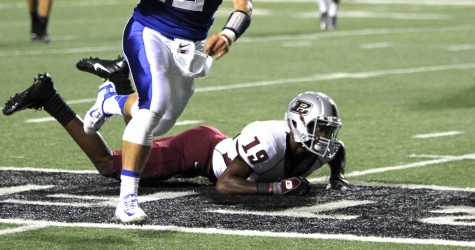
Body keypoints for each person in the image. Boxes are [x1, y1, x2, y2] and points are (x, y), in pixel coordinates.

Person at [91, 0, 261, 224]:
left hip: (190, 43)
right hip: (147, 26)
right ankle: (127, 199)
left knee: (163, 121)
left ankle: (110, 101)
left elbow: (243, 7)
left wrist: (229, 32)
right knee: (153, 108)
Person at [2, 71, 353, 206]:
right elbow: (226, 186)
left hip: (213, 149)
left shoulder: (318, 148)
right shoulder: (271, 139)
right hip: (197, 152)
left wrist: (337, 177)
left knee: (144, 128)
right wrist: (275, 189)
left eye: (327, 129)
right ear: (297, 122)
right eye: (321, 128)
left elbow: (337, 153)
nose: (326, 137)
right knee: (110, 166)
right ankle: (51, 98)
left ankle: (121, 86)